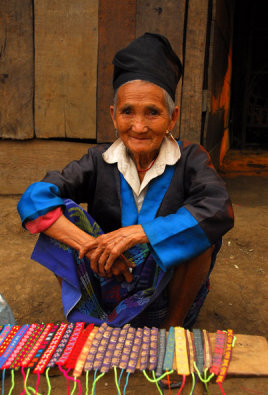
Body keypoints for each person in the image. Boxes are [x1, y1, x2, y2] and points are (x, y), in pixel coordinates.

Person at [17, 33, 234, 330]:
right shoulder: (98, 159)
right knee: (56, 216)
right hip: (107, 277)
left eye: (153, 113)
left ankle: (172, 328)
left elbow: (218, 208)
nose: (139, 126)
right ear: (113, 115)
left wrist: (140, 232)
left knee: (203, 233)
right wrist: (90, 245)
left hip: (166, 286)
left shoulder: (191, 158)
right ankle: (92, 319)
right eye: (127, 112)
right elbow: (34, 198)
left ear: (172, 118)